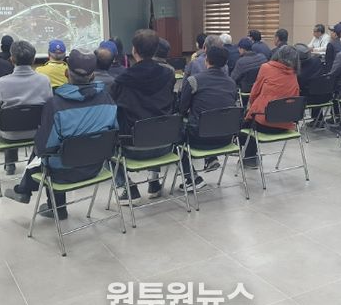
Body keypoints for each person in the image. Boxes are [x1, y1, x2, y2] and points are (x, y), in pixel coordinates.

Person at [3, 49, 118, 219]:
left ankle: (53, 206)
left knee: (43, 152)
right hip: (96, 167)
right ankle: (27, 191)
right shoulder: (108, 99)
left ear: (66, 73)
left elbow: (45, 147)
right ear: (93, 75)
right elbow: (114, 133)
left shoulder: (55, 105)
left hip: (63, 173)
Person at [111, 29, 175, 204]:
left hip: (132, 148)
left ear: (134, 50)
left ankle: (127, 186)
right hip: (165, 144)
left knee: (104, 144)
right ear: (155, 51)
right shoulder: (169, 75)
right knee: (155, 122)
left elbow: (112, 108)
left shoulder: (123, 80)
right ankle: (154, 180)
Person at [0, 41, 53, 175]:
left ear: (11, 59)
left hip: (9, 135)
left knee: (8, 123)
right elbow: (49, 109)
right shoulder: (44, 80)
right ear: (33, 59)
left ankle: (10, 164)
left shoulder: (0, 83)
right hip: (38, 133)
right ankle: (35, 164)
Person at [177, 46, 238, 191]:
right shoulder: (231, 83)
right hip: (225, 138)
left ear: (206, 60)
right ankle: (210, 159)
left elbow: (181, 109)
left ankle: (192, 178)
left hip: (199, 139)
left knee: (174, 140)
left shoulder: (194, 81)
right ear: (225, 63)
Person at [240, 45, 301, 166]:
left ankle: (249, 157)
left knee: (246, 122)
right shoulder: (294, 73)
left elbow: (254, 93)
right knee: (253, 119)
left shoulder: (266, 67)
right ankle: (249, 156)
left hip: (264, 124)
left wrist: (252, 106)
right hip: (285, 125)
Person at [296, 43, 325, 126]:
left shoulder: (299, 71)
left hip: (307, 99)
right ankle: (318, 119)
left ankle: (293, 121)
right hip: (324, 96)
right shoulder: (317, 60)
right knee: (315, 87)